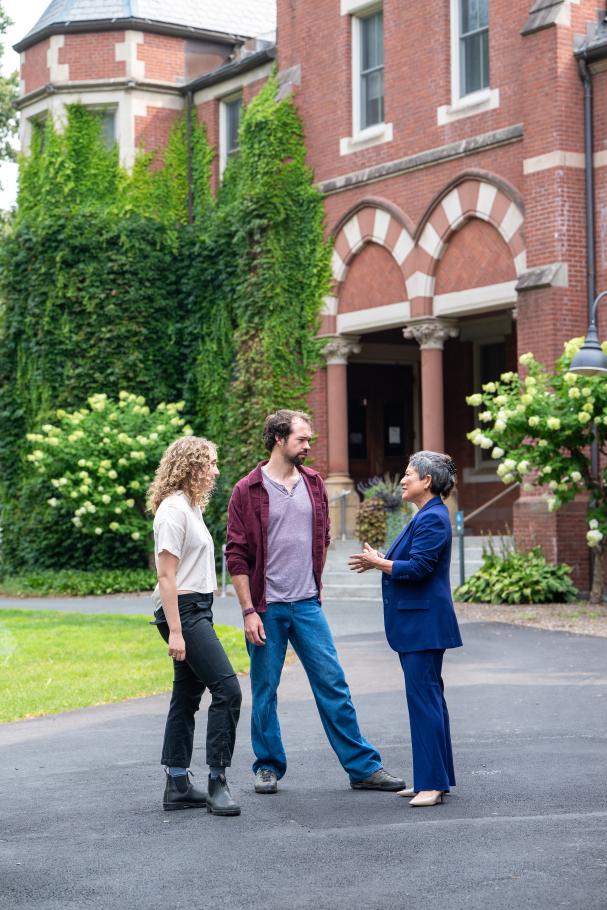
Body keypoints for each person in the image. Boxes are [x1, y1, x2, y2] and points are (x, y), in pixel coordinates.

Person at [226, 408, 405, 795]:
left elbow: (321, 538)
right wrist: (248, 610)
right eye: (302, 439)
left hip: (307, 605)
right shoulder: (248, 490)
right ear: (278, 438)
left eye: (309, 440)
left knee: (334, 685)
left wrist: (312, 578)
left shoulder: (314, 483)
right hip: (266, 608)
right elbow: (237, 555)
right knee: (265, 690)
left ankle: (362, 768)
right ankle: (268, 765)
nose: (308, 446)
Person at [349, 451, 462, 808]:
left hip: (423, 625)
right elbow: (412, 561)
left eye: (409, 474)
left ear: (427, 481)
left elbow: (419, 569)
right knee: (428, 701)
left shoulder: (433, 518)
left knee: (424, 702)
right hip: (419, 624)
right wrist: (382, 559)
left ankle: (432, 784)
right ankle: (434, 779)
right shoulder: (426, 516)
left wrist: (378, 562)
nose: (403, 479)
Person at [148, 436, 242, 816]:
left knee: (186, 696)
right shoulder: (172, 511)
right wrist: (175, 631)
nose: (216, 471)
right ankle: (217, 782)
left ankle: (177, 784)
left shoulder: (190, 507)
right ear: (190, 466)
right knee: (227, 690)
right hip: (183, 611)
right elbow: (167, 576)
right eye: (210, 464)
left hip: (196, 607)